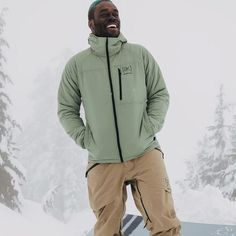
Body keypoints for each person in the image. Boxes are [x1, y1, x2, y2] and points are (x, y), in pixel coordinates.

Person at [57, 0, 181, 235]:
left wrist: (149, 126)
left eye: (115, 13)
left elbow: (159, 94)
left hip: (145, 151)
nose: (112, 17)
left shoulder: (139, 54)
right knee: (106, 228)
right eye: (104, 14)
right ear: (91, 23)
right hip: (102, 159)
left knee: (164, 222)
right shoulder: (77, 65)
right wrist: (87, 139)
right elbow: (66, 108)